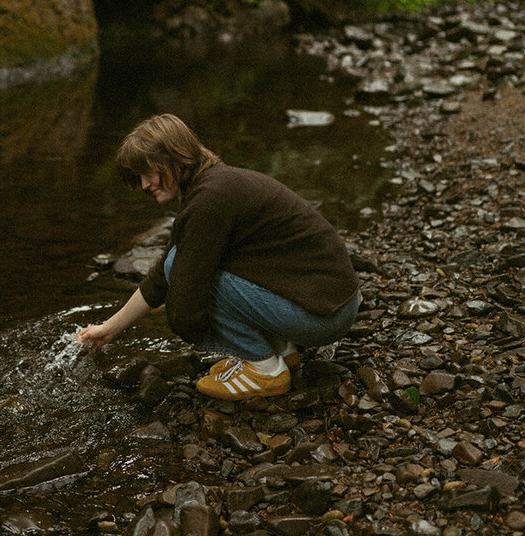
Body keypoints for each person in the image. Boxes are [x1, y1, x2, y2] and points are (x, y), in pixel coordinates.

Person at [77, 113, 360, 400]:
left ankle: (265, 370)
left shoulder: (210, 200)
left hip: (323, 317)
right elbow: (162, 274)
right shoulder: (214, 185)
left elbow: (184, 293)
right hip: (334, 304)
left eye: (148, 173)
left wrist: (194, 329)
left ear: (175, 156)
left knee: (188, 276)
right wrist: (109, 329)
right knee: (182, 262)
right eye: (138, 178)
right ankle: (282, 351)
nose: (144, 185)